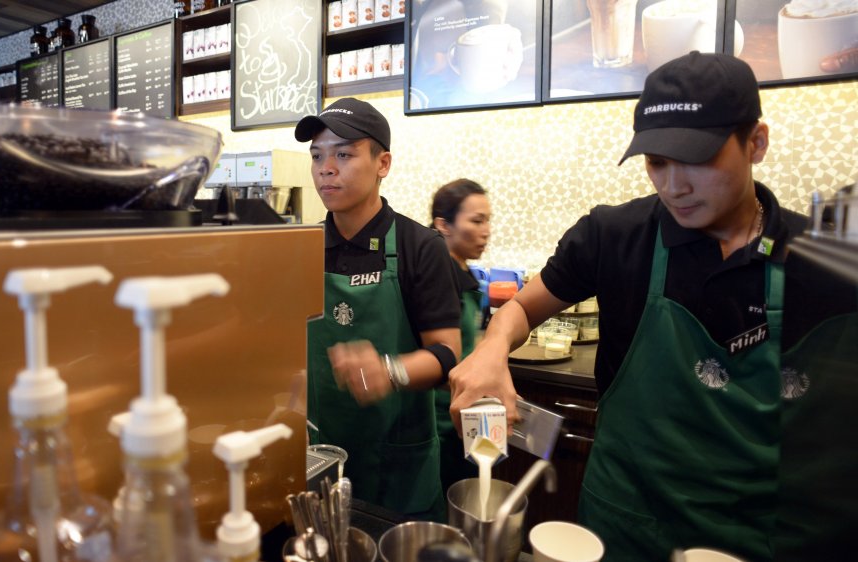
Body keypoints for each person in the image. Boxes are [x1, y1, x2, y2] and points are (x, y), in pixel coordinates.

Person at [449, 51, 813, 561]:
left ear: (756, 143)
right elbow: (521, 311)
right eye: (657, 162)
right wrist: (491, 349)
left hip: (758, 536)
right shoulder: (613, 236)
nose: (673, 185)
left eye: (698, 159)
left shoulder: (823, 260)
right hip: (624, 527)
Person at [294, 97, 465, 519]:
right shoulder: (302, 249)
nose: (325, 168)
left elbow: (447, 356)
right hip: (322, 460)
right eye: (317, 155)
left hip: (399, 466)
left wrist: (388, 370)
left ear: (382, 163)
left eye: (344, 154)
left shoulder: (419, 247)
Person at [429, 178, 492, 491]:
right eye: (476, 221)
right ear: (444, 225)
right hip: (441, 425)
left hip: (466, 417)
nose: (486, 231)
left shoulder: (464, 272)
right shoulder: (437, 278)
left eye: (488, 220)